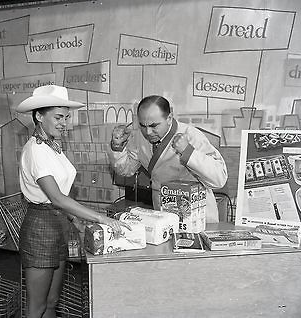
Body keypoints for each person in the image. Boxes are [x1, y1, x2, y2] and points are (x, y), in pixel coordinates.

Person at [16, 85, 130, 318]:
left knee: (51, 301)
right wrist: (101, 218)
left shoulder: (53, 146)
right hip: (40, 228)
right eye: (58, 117)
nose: (64, 123)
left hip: (58, 224)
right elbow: (56, 197)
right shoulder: (36, 150)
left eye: (66, 117)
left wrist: (75, 220)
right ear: (39, 115)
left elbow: (61, 196)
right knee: (36, 307)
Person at [108, 95, 228, 223]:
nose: (148, 132)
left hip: (196, 214)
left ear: (169, 118)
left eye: (154, 126)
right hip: (163, 213)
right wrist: (117, 147)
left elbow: (219, 179)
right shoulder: (139, 138)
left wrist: (188, 152)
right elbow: (126, 170)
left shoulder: (191, 135)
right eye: (143, 125)